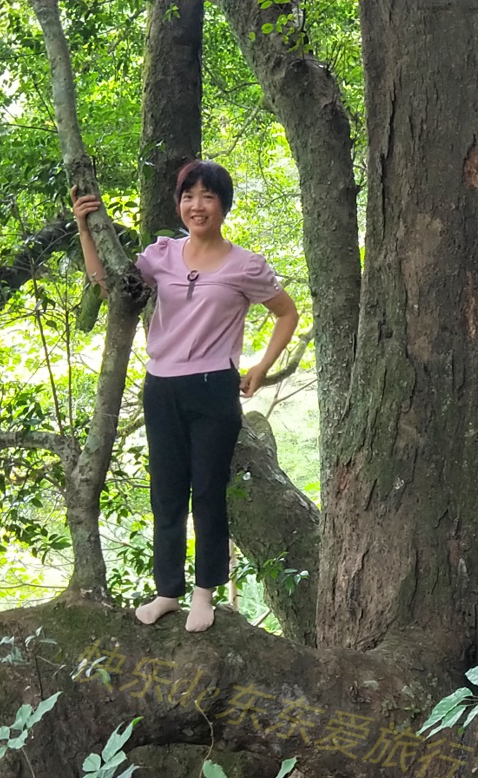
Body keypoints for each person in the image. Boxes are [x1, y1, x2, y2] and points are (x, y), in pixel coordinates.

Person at [72, 161, 300, 632]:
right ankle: (167, 592)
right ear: (180, 204)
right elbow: (110, 285)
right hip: (161, 387)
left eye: (208, 197)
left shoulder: (245, 265)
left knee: (209, 493)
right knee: (167, 494)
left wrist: (260, 367)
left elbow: (286, 313)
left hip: (214, 388)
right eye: (189, 196)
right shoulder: (161, 256)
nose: (197, 206)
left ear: (223, 205)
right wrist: (85, 227)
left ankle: (204, 593)